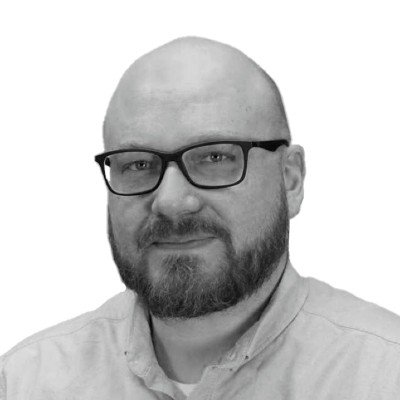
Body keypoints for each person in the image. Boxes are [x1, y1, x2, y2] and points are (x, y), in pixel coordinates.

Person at [1, 37, 399, 400]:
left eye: (215, 157)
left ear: (290, 179)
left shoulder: (385, 375)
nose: (171, 202)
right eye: (137, 164)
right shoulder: (25, 383)